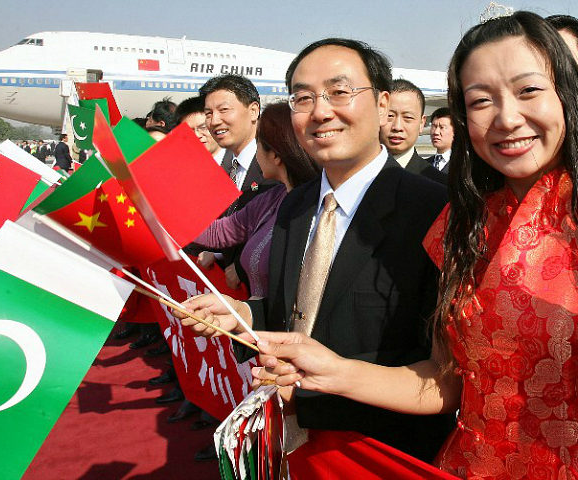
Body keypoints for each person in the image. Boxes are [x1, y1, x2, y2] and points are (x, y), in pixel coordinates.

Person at [247, 11, 578, 479]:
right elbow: (447, 382)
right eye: (480, 100)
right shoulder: (462, 224)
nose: (506, 118)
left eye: (528, 91)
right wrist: (331, 371)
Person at [177, 38, 453, 462]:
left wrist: (310, 389)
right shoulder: (295, 204)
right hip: (294, 445)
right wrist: (240, 314)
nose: (321, 111)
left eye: (340, 92)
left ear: (381, 104)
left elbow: (441, 369)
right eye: (303, 98)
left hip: (378, 450)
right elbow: (297, 310)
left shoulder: (433, 210)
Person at [192, 101, 320, 298]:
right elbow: (220, 232)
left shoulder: (318, 207)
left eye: (258, 144)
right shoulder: (271, 199)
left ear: (276, 155)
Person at [200, 74, 278, 291]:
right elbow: (227, 228)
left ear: (254, 110)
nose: (214, 121)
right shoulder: (223, 167)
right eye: (209, 113)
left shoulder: (274, 167)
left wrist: (242, 267)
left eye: (224, 110)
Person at [380, 79, 446, 184]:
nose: (397, 127)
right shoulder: (353, 175)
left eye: (408, 117)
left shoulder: (440, 185)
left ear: (421, 123)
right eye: (390, 116)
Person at [174, 96, 226, 165]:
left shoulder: (238, 164)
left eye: (203, 127)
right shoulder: (181, 166)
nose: (197, 135)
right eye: (189, 131)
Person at [425, 107, 454, 173]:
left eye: (442, 127)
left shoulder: (465, 166)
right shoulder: (423, 165)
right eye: (434, 126)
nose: (436, 132)